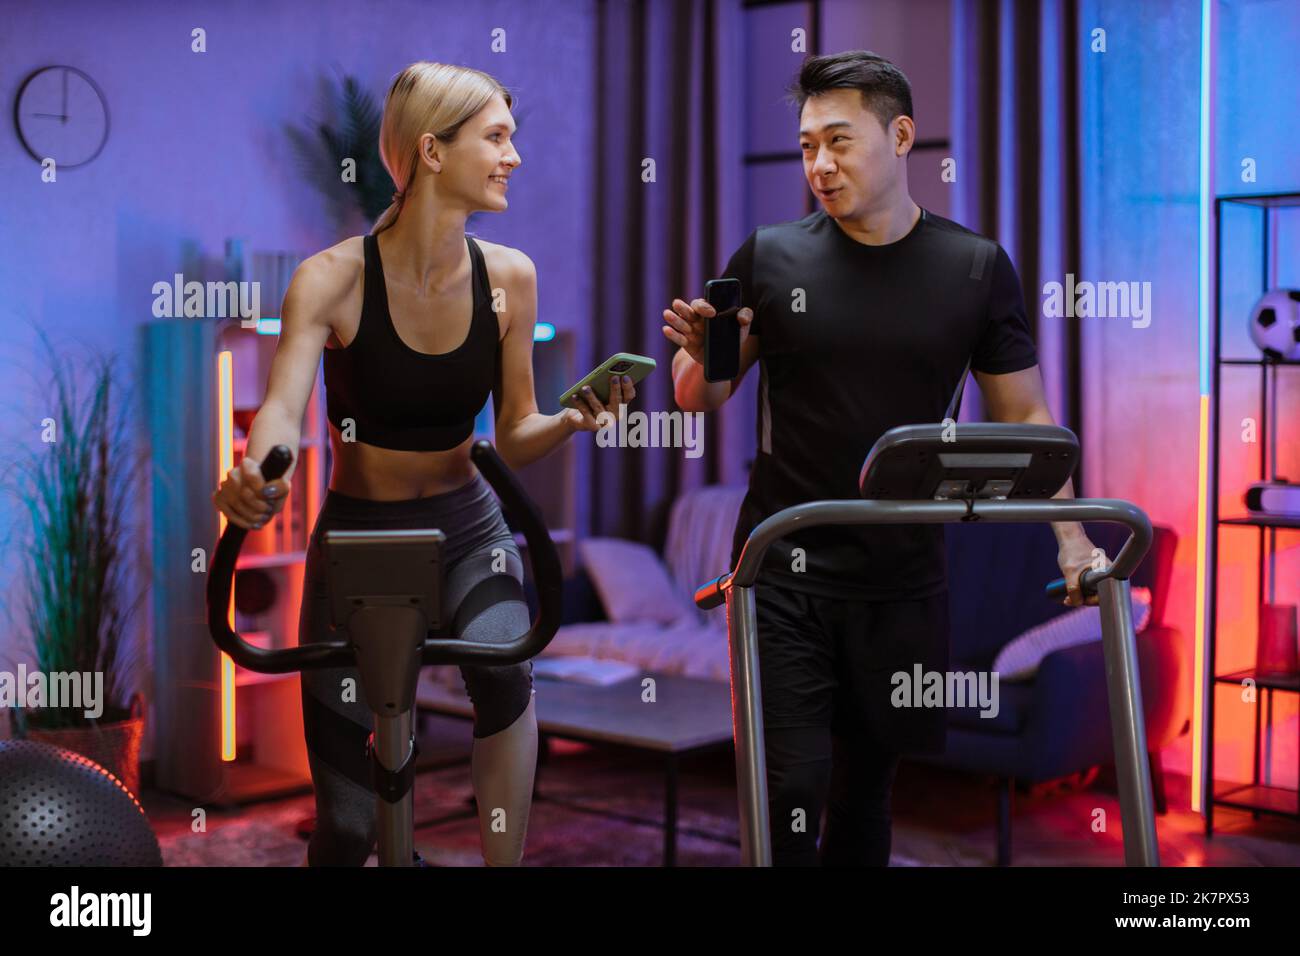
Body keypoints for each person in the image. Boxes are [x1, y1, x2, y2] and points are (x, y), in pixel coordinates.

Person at [663, 50, 1100, 866]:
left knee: (864, 796)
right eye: (804, 147)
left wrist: (1072, 541)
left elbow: (1027, 419)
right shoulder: (769, 255)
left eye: (838, 141)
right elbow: (700, 396)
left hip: (901, 578)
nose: (818, 166)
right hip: (780, 571)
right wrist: (704, 352)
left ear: (901, 136)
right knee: (790, 789)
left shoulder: (972, 267)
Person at [213, 61, 634, 866]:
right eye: (498, 138)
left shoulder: (510, 277)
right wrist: (258, 474)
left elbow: (514, 434)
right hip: (358, 541)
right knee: (346, 828)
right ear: (433, 151)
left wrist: (574, 420)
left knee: (507, 678)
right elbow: (278, 410)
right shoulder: (331, 278)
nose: (514, 156)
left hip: (470, 531)